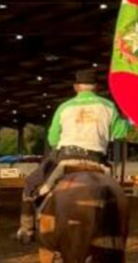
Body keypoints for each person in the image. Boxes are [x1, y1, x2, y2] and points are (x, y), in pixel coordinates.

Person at [27, 68, 128, 202]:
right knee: (115, 196)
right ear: (96, 87)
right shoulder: (109, 106)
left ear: (76, 87)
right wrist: (126, 118)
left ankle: (27, 221)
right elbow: (120, 133)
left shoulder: (64, 107)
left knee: (31, 183)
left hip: (66, 156)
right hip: (97, 159)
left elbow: (52, 139)